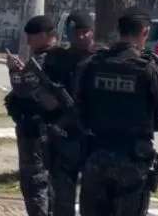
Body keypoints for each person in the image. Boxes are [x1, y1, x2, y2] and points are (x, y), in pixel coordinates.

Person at [74, 7, 158, 216]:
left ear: (118, 30)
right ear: (145, 31)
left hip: (96, 156)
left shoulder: (92, 63)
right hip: (132, 162)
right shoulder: (149, 66)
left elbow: (77, 107)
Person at [4, 14, 59, 216]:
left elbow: (22, 89)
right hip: (56, 129)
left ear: (44, 35)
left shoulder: (43, 60)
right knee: (52, 183)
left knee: (34, 182)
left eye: (31, 36)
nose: (28, 42)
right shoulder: (63, 57)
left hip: (35, 130)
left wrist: (13, 71)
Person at [45, 11, 97, 216]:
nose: (81, 36)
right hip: (64, 137)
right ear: (68, 34)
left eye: (85, 32)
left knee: (92, 201)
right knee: (62, 199)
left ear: (92, 32)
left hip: (93, 140)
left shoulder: (100, 60)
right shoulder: (57, 58)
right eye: (77, 33)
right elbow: (42, 90)